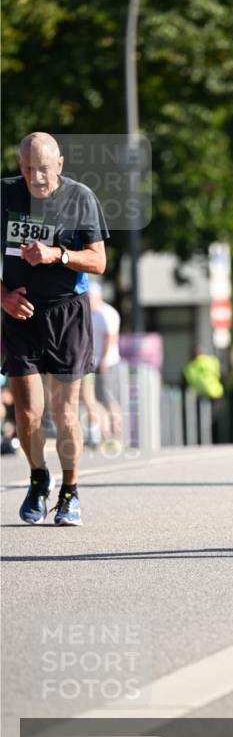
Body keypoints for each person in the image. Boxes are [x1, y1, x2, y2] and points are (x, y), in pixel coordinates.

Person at [1, 132, 108, 525]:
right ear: (20, 166)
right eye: (28, 169)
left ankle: (70, 492)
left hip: (67, 314)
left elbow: (99, 262)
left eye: (43, 169)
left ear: (59, 165)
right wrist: (3, 298)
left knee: (65, 412)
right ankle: (38, 477)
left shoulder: (80, 198)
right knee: (28, 415)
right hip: (20, 313)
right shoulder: (6, 196)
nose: (37, 177)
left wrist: (56, 254)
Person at [86, 279, 123, 448]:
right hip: (94, 363)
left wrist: (105, 360)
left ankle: (116, 435)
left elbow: (111, 339)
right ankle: (105, 434)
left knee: (109, 399)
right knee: (96, 399)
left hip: (107, 363)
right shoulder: (91, 314)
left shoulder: (107, 313)